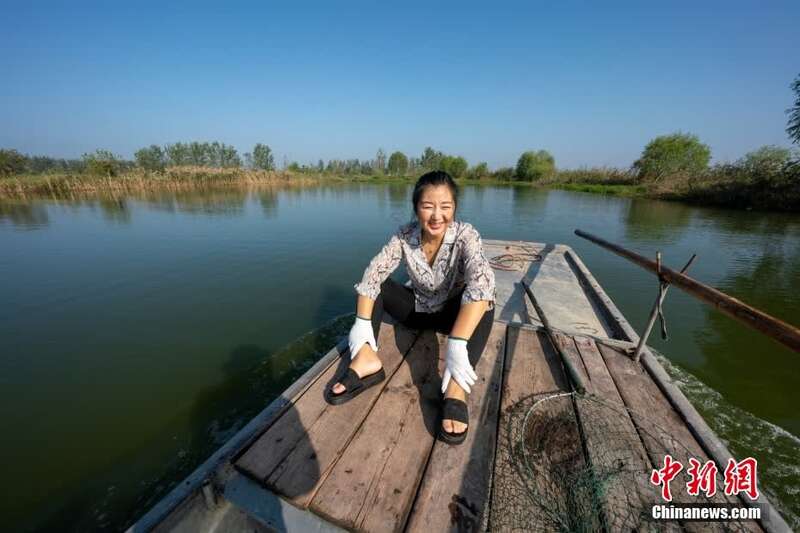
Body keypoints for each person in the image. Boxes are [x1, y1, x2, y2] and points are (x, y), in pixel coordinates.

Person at [324, 170, 496, 445]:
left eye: (445, 207)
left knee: (486, 301)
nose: (436, 215)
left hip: (453, 317)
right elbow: (373, 274)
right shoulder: (404, 235)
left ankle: (456, 387)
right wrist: (361, 323)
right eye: (428, 206)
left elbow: (482, 282)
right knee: (377, 283)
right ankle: (366, 358)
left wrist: (457, 342)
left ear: (454, 209)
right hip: (416, 310)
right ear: (416, 208)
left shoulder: (466, 236)